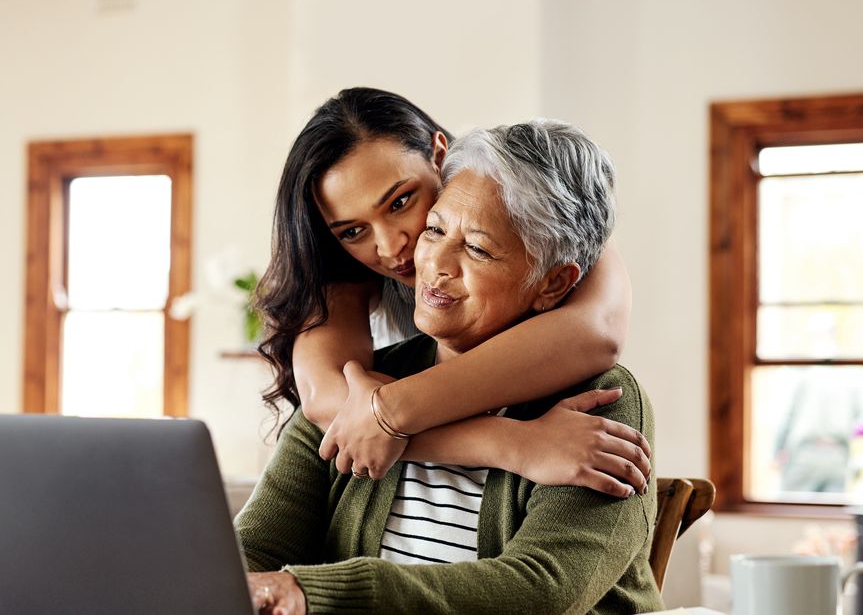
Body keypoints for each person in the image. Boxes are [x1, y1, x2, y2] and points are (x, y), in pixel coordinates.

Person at [238, 120, 663, 614]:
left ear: (553, 284)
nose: (430, 261)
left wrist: (318, 593)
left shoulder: (606, 401)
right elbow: (249, 554)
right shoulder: (363, 385)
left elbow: (544, 592)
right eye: (435, 230)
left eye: (478, 249)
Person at [257, 88, 648, 494]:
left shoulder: (534, 200)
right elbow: (329, 401)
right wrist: (513, 444)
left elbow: (595, 333)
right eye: (354, 231)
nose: (391, 248)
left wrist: (390, 412)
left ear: (439, 155)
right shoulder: (342, 268)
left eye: (400, 202)